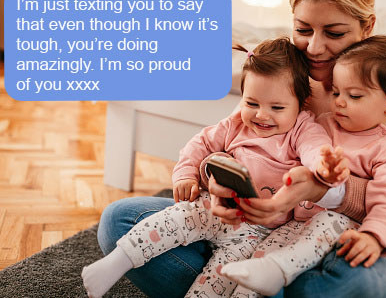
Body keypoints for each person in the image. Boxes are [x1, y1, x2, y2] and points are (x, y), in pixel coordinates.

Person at [96, 0, 386, 297]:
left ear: (367, 27)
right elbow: (233, 139)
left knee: (370, 287)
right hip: (248, 234)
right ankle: (244, 281)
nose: (315, 47)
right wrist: (216, 181)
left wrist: (326, 191)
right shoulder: (285, 71)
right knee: (119, 221)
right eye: (303, 29)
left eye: (334, 33)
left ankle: (252, 283)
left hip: (336, 243)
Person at [82, 37, 351, 298]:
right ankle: (116, 262)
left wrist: (324, 169)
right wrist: (186, 173)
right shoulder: (237, 123)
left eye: (277, 107)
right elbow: (199, 144)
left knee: (222, 277)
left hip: (260, 234)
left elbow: (315, 151)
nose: (261, 115)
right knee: (179, 216)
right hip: (217, 208)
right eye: (252, 103)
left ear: (300, 105)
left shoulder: (303, 128)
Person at [221, 35, 386, 297]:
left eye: (354, 96)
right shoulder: (320, 122)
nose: (339, 102)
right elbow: (257, 140)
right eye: (335, 92)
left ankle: (276, 271)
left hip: (339, 231)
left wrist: (374, 236)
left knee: (329, 220)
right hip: (289, 224)